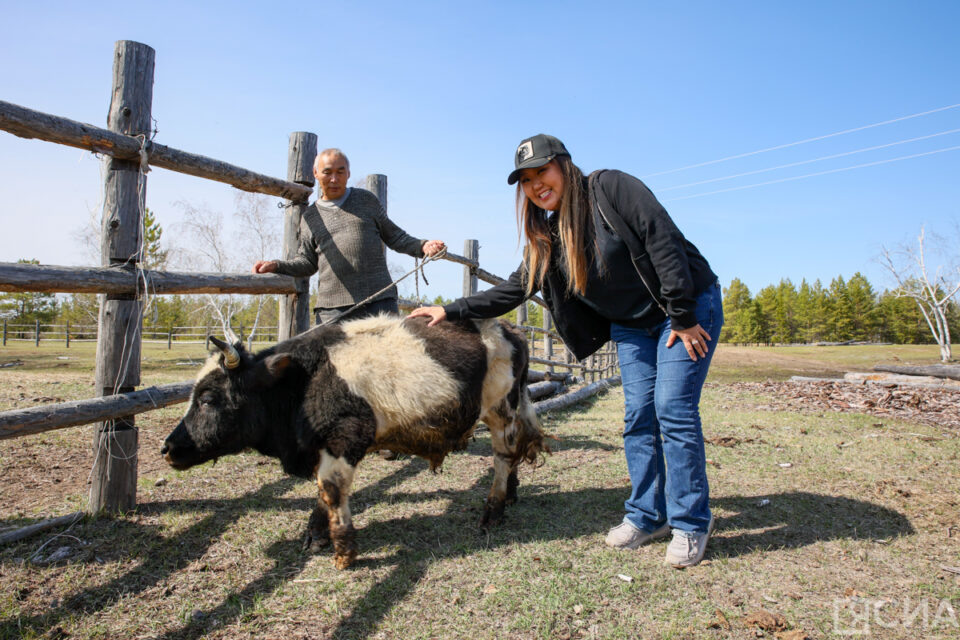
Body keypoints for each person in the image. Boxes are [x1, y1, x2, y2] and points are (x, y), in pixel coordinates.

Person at [408, 134, 723, 568]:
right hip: (632, 326)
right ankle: (648, 516)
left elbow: (662, 239)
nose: (537, 185)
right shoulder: (547, 235)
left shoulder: (611, 189)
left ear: (564, 165)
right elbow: (515, 289)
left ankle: (691, 522)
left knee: (672, 409)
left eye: (542, 172)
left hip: (683, 311)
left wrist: (684, 315)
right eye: (526, 180)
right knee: (638, 417)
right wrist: (450, 308)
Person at [253, 148, 446, 325]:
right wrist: (277, 266)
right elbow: (307, 262)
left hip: (379, 303)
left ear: (349, 174)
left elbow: (396, 236)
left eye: (340, 172)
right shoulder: (310, 217)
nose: (334, 179)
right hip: (332, 310)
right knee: (330, 362)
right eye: (327, 172)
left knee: (387, 361)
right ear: (316, 174)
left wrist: (423, 246)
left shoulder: (366, 200)